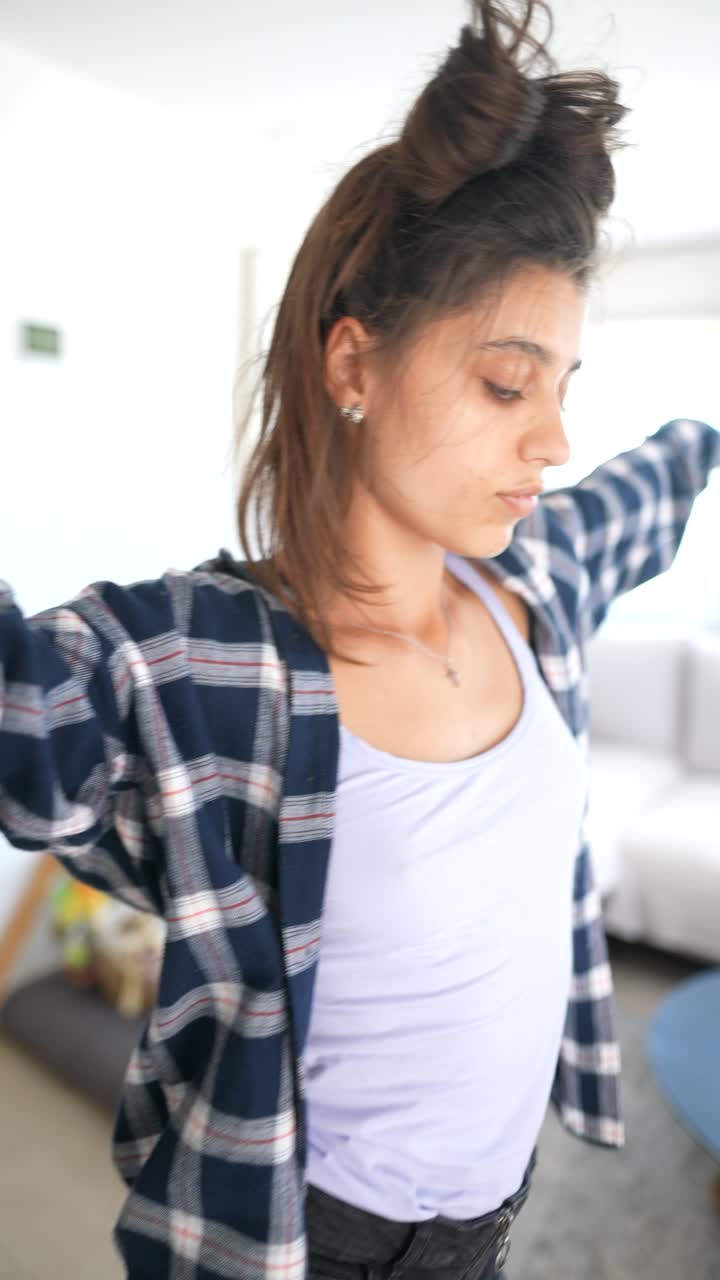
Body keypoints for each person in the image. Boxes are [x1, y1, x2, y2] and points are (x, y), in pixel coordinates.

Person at [1, 1, 718, 1277]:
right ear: (355, 364)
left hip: (491, 1231)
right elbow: (21, 720)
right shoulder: (201, 661)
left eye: (564, 387)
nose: (550, 439)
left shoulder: (534, 581)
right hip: (302, 1242)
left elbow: (665, 472)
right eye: (508, 382)